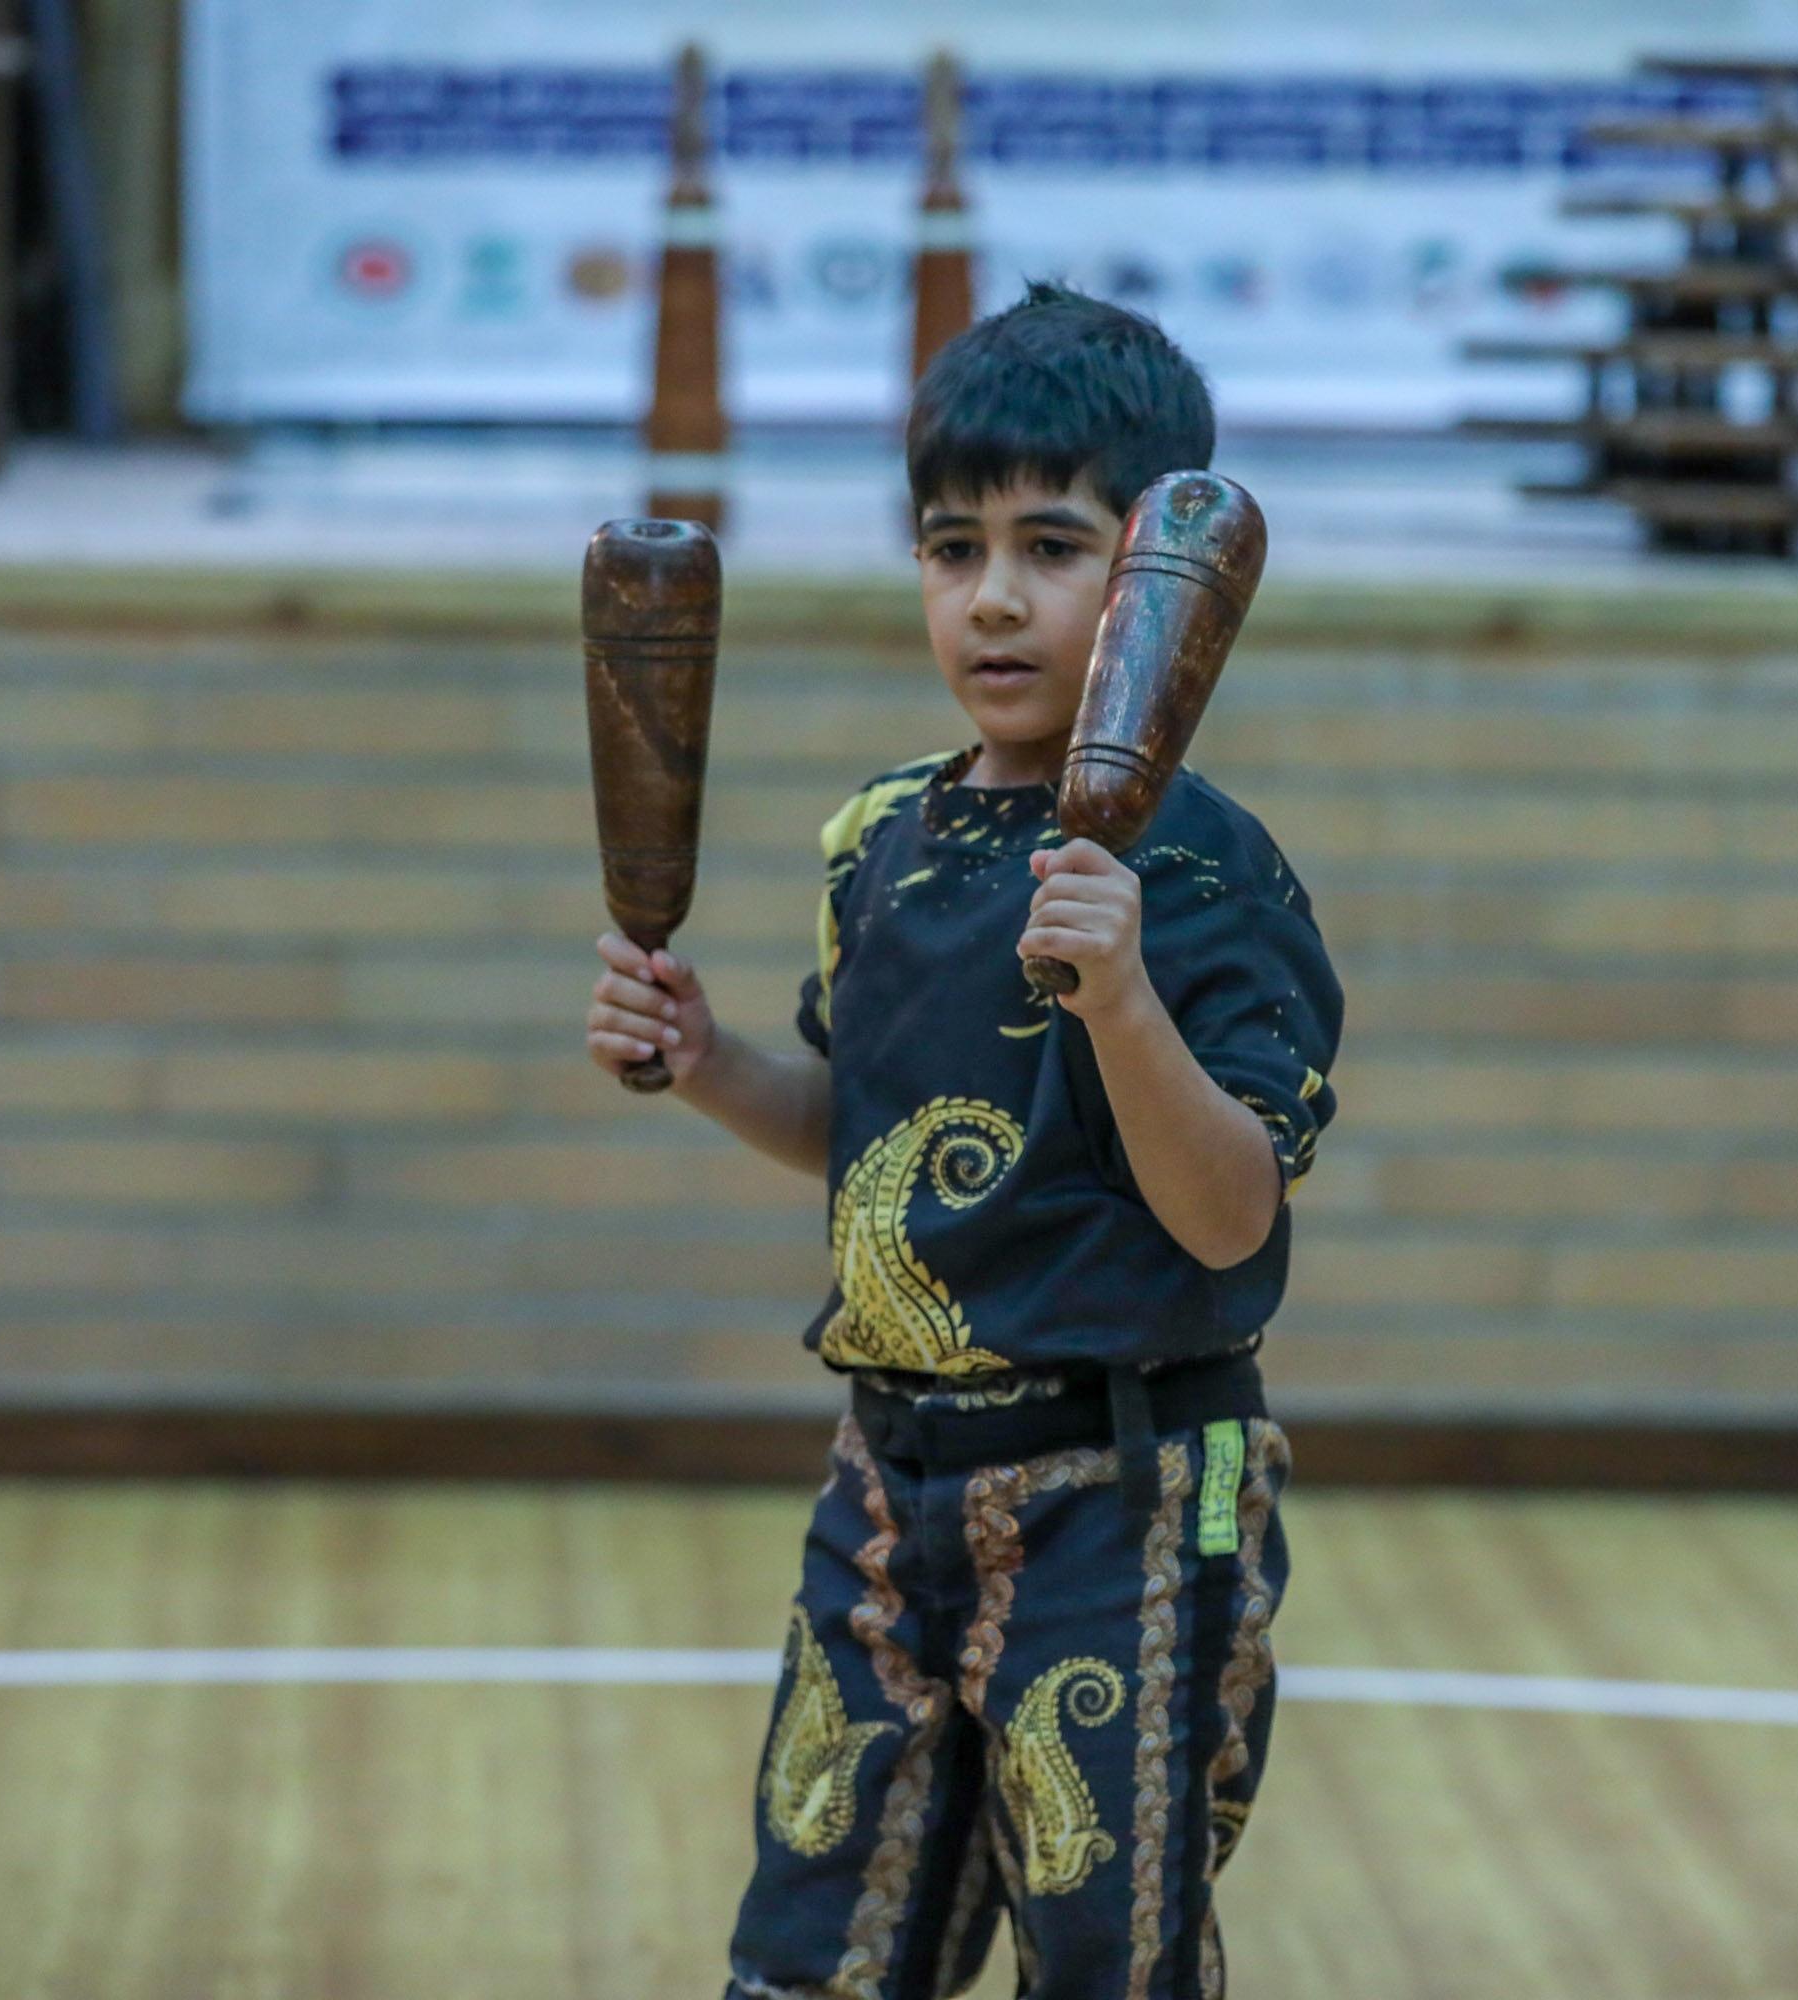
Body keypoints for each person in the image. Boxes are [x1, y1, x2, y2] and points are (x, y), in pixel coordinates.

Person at [584, 278, 1344, 1999]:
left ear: (1156, 577)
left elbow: (1232, 1218)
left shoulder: (1206, 874)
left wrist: (1120, 995)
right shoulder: (883, 843)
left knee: (1105, 1960)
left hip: (1127, 1498)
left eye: (1051, 548)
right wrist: (705, 1061)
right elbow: (858, 1135)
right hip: (887, 1481)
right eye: (951, 548)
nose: (992, 596)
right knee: (811, 1952)